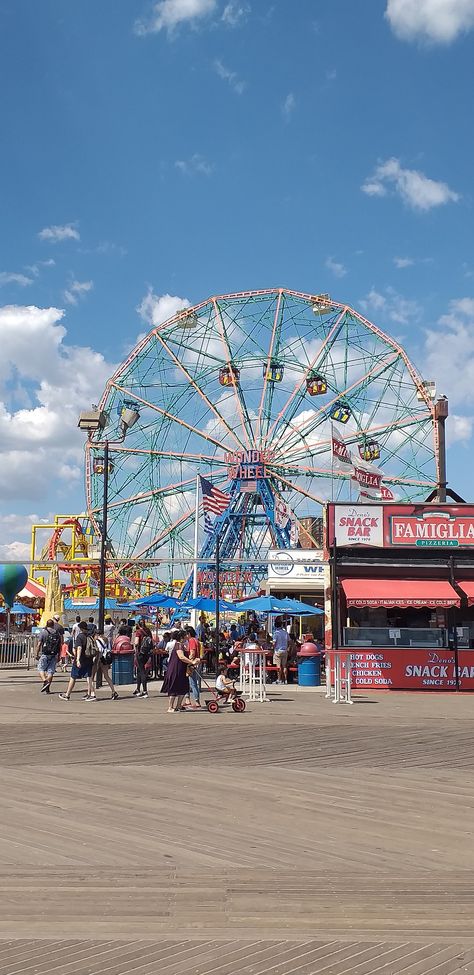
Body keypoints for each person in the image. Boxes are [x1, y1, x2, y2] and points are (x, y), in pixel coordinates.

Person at [59, 621, 96, 701]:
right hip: (89, 659)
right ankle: (92, 694)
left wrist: (78, 659)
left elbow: (79, 648)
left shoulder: (80, 636)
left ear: (81, 628)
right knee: (89, 677)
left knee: (73, 677)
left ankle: (67, 694)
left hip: (81, 659)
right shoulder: (90, 636)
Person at [161, 629, 195, 712]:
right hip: (176, 668)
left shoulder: (182, 645)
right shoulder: (178, 645)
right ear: (182, 637)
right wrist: (191, 662)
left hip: (181, 669)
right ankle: (170, 707)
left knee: (183, 687)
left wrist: (191, 659)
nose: (187, 636)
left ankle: (179, 705)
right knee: (174, 687)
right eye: (185, 635)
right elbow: (181, 657)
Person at [36, 619, 62, 694]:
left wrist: (36, 654)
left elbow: (39, 644)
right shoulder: (57, 633)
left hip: (45, 653)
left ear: (46, 624)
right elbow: (60, 645)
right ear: (53, 625)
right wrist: (59, 655)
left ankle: (45, 681)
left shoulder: (43, 632)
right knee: (51, 671)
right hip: (54, 654)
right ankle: (48, 688)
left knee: (40, 668)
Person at [94, 632, 119, 700]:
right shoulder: (106, 640)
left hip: (100, 659)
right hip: (106, 660)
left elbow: (99, 651)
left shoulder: (97, 641)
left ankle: (91, 693)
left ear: (98, 635)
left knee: (91, 676)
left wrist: (97, 662)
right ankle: (113, 691)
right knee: (106, 676)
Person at [133, 618, 154, 698]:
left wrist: (135, 649)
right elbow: (152, 641)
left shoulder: (138, 632)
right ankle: (138, 689)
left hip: (140, 653)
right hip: (147, 653)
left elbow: (136, 642)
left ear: (138, 624)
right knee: (139, 670)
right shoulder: (148, 631)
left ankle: (145, 691)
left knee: (141, 671)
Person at [185, 625, 202, 708]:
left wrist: (188, 661)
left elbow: (192, 653)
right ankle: (188, 699)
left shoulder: (191, 641)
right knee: (191, 682)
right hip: (196, 663)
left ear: (188, 633)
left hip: (192, 664)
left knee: (193, 683)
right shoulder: (196, 640)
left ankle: (196, 701)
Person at [273, 616, 289, 684]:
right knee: (284, 666)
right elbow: (289, 641)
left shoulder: (276, 633)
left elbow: (274, 642)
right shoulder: (285, 632)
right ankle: (285, 680)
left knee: (278, 666)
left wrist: (272, 647)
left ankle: (279, 679)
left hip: (278, 651)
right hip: (285, 650)